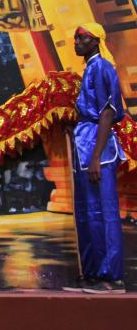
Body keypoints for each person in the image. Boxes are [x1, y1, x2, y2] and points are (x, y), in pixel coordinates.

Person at [68, 23, 127, 294]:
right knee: (87, 212)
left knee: (104, 212)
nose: (77, 42)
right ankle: (92, 273)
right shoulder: (89, 69)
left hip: (97, 147)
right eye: (76, 38)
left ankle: (111, 276)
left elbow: (107, 113)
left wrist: (96, 157)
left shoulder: (102, 67)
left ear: (96, 41)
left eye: (82, 38)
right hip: (85, 142)